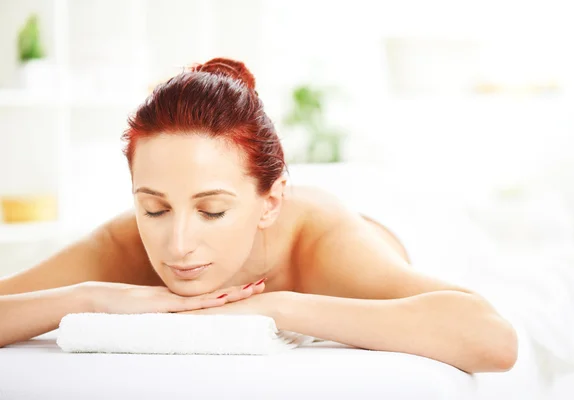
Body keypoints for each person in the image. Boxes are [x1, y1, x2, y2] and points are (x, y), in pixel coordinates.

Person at [0, 58, 517, 373]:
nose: (178, 244)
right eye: (154, 208)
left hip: (391, 215)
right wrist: (90, 297)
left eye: (212, 211)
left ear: (269, 203)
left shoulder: (321, 243)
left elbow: (493, 338)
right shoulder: (121, 245)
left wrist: (279, 308)